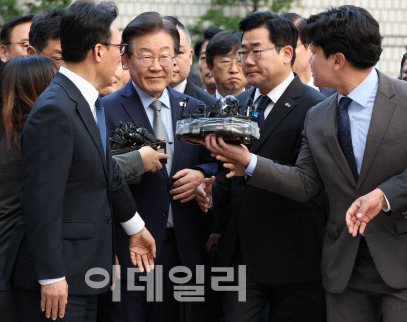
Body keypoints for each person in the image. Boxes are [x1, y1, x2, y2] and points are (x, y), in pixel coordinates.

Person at [201, 6, 407, 322]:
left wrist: (385, 194)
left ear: (337, 60)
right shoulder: (319, 115)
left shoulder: (403, 101)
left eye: (314, 52)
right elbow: (305, 183)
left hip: (398, 261)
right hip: (342, 267)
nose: (308, 59)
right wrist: (249, 163)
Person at [10, 2, 156, 321]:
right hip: (61, 280)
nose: (123, 55)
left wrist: (135, 226)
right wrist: (51, 276)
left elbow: (107, 173)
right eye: (120, 47)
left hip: (85, 272)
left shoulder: (86, 101)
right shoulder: (56, 109)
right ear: (99, 51)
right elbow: (41, 201)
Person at [198, 11, 327, 322]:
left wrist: (250, 163)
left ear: (286, 53)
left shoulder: (316, 106)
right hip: (242, 256)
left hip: (295, 258)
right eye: (244, 52)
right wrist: (212, 192)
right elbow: (231, 172)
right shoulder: (237, 105)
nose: (247, 60)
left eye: (256, 51)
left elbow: (310, 183)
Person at [103, 11, 217, 322]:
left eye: (166, 56)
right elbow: (96, 177)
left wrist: (204, 175)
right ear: (125, 59)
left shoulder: (196, 109)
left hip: (184, 249)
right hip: (129, 252)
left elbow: (217, 163)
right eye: (146, 56)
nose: (157, 66)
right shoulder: (105, 109)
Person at [0, 55, 57, 322]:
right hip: (11, 267)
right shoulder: (31, 136)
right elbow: (83, 168)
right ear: (38, 88)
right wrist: (137, 161)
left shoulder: (0, 130)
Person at [164, 16, 218, 107]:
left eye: (179, 52)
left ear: (190, 56)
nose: (173, 62)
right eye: (165, 54)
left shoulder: (210, 105)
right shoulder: (135, 101)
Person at [0, 15, 33, 100]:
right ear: (4, 52)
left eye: (40, 45)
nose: (34, 51)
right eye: (26, 45)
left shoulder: (56, 96)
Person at [205, 30, 248, 101]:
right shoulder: (201, 107)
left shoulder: (259, 106)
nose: (234, 70)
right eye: (226, 61)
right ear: (210, 67)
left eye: (240, 61)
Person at [194, 26, 222, 95]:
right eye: (204, 58)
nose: (210, 64)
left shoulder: (248, 100)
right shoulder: (191, 103)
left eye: (218, 57)